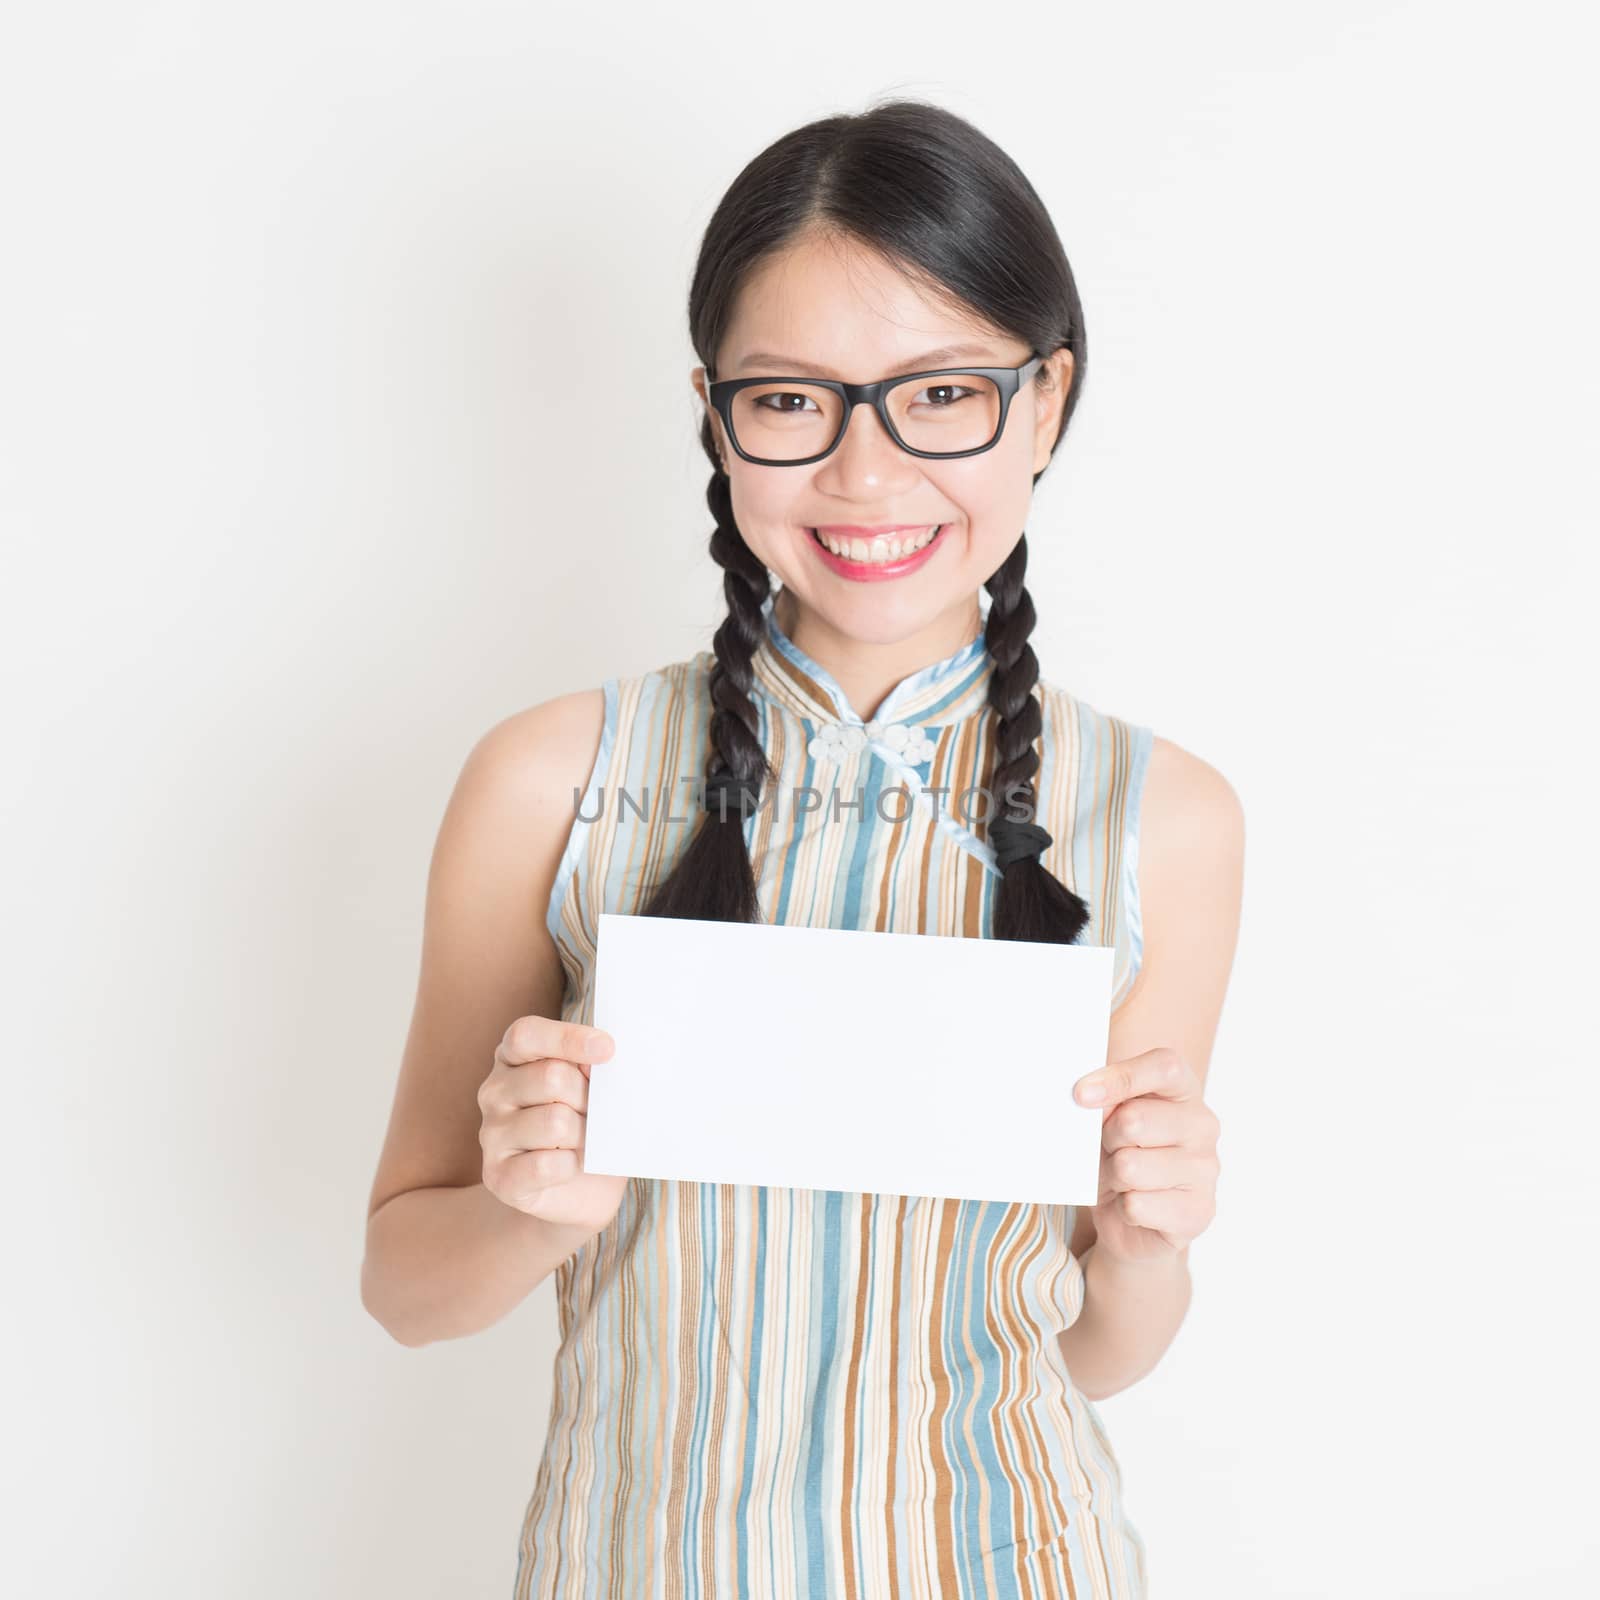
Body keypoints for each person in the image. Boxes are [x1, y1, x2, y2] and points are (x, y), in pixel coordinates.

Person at [361, 97, 1244, 1599]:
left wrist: (1150, 1244)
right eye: (793, 402)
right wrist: (522, 1209)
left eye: (943, 394)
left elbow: (1097, 1350)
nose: (868, 473)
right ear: (716, 414)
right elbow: (405, 1288)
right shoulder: (551, 779)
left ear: (1044, 403)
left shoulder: (1163, 813)